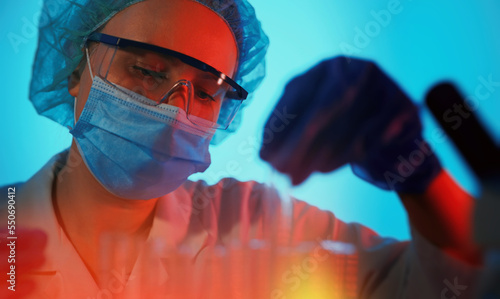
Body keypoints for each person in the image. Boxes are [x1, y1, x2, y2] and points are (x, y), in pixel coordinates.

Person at [0, 0, 483, 298]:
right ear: (73, 75)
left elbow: (461, 286)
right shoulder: (9, 226)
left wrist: (418, 177)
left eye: (207, 91)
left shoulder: (255, 225)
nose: (176, 108)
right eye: (146, 71)